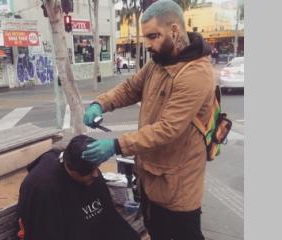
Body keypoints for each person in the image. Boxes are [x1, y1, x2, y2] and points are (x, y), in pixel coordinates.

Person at [81, 0, 215, 239]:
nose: (148, 45)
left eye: (154, 36)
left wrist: (115, 145)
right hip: (150, 177)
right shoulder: (158, 63)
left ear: (174, 30)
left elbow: (167, 129)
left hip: (178, 185)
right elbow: (130, 88)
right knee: (156, 232)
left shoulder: (196, 74)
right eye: (146, 38)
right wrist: (100, 103)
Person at [16, 135, 140, 240]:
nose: (96, 174)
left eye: (96, 167)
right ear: (70, 168)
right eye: (89, 173)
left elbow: (109, 218)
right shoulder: (43, 188)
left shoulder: (88, 170)